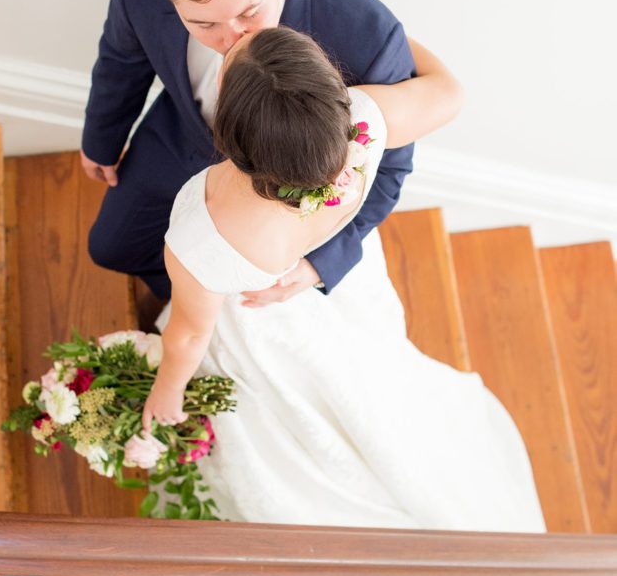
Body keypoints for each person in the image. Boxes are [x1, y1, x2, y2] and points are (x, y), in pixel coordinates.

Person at [141, 28, 546, 536]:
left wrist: (167, 393)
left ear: (233, 137)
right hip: (346, 288)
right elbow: (449, 93)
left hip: (259, 316)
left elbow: (189, 334)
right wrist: (387, 27)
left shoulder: (207, 232)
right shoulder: (364, 119)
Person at [81, 0, 460, 312]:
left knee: (255, 307)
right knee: (110, 248)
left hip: (277, 196)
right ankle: (190, 304)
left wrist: (320, 263)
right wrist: (101, 139)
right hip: (181, 137)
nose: (229, 41)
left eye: (248, 13)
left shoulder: (366, 33)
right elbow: (121, 57)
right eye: (203, 24)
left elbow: (389, 164)